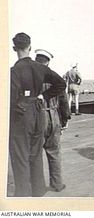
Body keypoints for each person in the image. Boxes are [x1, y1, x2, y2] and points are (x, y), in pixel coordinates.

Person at [9, 33, 66, 197]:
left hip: (21, 114)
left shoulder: (14, 71)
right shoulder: (40, 68)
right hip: (38, 111)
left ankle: (22, 194)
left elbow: (11, 98)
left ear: (14, 48)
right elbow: (61, 84)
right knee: (35, 153)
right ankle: (38, 190)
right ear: (30, 47)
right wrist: (44, 96)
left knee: (20, 155)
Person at [35, 49, 71, 192]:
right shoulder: (55, 78)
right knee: (54, 152)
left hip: (38, 118)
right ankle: (57, 184)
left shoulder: (31, 77)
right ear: (48, 62)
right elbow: (64, 101)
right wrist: (65, 120)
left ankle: (38, 187)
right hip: (54, 116)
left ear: (36, 60)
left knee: (35, 153)